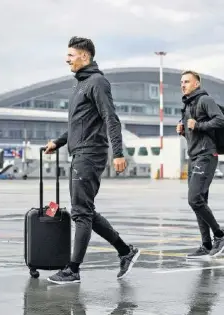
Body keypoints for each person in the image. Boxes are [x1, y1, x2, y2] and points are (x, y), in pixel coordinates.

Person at [44, 36, 140, 284]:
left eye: (71, 55)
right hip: (80, 152)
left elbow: (111, 118)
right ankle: (125, 251)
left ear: (84, 56)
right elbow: (78, 125)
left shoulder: (97, 82)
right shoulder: (80, 85)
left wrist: (118, 153)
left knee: (81, 213)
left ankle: (73, 270)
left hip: (91, 153)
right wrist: (59, 142)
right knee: (85, 211)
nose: (67, 60)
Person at [177, 70, 224, 259]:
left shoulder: (204, 100)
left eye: (187, 82)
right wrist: (183, 130)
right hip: (193, 156)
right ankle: (206, 244)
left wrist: (197, 126)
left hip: (206, 155)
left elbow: (221, 121)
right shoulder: (187, 104)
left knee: (194, 199)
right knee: (200, 202)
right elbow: (193, 130)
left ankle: (220, 235)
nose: (183, 85)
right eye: (182, 82)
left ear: (197, 84)